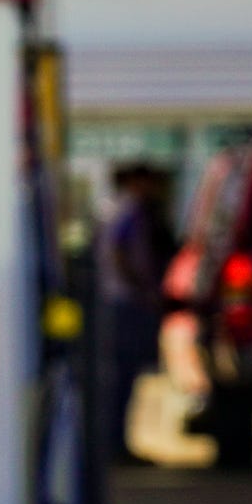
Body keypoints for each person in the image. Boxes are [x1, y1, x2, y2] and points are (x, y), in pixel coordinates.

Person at [96, 163, 174, 464]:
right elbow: (118, 252)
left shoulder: (116, 208)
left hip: (120, 300)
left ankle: (116, 443)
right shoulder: (128, 211)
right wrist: (141, 286)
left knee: (121, 377)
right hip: (125, 302)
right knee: (123, 376)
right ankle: (116, 445)